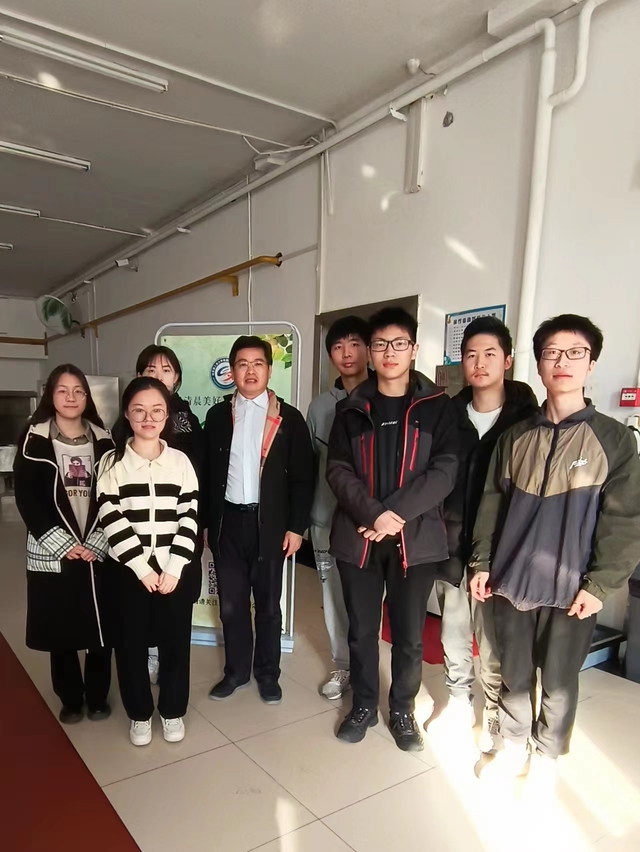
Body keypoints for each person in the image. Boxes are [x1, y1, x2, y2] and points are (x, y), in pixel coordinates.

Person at [470, 314, 640, 778]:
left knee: (560, 682)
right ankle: (511, 744)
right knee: (513, 673)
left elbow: (625, 520)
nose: (562, 362)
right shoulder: (515, 436)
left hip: (572, 589)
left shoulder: (614, 439)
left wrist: (601, 584)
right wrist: (481, 562)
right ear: (539, 364)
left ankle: (546, 757)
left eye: (575, 353)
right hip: (511, 581)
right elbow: (491, 503)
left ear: (591, 363)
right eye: (552, 353)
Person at [327, 306, 459, 751]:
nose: (389, 352)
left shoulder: (437, 408)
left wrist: (393, 515)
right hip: (359, 539)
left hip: (414, 540)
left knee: (408, 635)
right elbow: (338, 470)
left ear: (414, 349)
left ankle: (402, 710)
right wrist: (373, 515)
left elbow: (445, 471)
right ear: (370, 351)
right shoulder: (350, 408)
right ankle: (364, 704)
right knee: (362, 629)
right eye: (380, 344)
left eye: (398, 343)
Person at [427, 317, 537, 751]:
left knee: (492, 638)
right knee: (453, 628)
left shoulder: (527, 419)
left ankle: (493, 709)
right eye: (471, 354)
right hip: (453, 541)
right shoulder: (448, 415)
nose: (480, 362)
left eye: (490, 353)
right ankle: (459, 699)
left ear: (507, 360)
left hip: (502, 548)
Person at [203, 335, 314, 705]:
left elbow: (304, 477)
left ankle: (268, 674)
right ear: (232, 371)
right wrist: (206, 523)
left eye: (258, 364)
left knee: (268, 605)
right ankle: (235, 672)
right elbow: (207, 474)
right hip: (228, 524)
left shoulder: (289, 418)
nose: (250, 371)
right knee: (231, 605)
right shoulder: (217, 416)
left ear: (269, 369)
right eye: (242, 364)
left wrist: (296, 527)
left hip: (270, 526)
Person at [97, 377, 199, 746]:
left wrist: (174, 567)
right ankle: (139, 714)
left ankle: (172, 710)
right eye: (139, 410)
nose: (148, 418)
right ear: (127, 414)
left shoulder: (180, 461)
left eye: (157, 410)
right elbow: (111, 517)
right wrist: (141, 567)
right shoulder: (112, 463)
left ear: (167, 414)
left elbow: (190, 514)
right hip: (128, 572)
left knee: (176, 643)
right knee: (130, 644)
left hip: (174, 571)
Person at [14, 364, 114, 724]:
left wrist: (99, 540)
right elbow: (28, 499)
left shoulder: (104, 439)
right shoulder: (34, 440)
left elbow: (115, 495)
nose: (71, 398)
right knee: (61, 627)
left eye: (78, 391)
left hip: (97, 546)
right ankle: (71, 698)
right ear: (50, 395)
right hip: (53, 550)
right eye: (62, 390)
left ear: (87, 397)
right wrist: (62, 544)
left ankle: (98, 696)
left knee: (102, 627)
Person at [307, 316, 371, 700]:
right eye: (337, 346)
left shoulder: (385, 399)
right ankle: (343, 664)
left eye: (354, 343)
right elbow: (310, 466)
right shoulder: (319, 407)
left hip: (371, 524)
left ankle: (367, 671)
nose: (346, 353)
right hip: (326, 520)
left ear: (369, 349)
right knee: (333, 597)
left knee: (367, 602)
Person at [136, 344, 205, 684]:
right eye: (151, 370)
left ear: (176, 378)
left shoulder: (187, 419)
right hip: (141, 528)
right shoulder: (130, 419)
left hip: (181, 524)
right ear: (140, 375)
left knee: (178, 593)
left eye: (166, 370)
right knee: (145, 594)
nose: (159, 376)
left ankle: (171, 657)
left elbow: (201, 474)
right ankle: (151, 653)